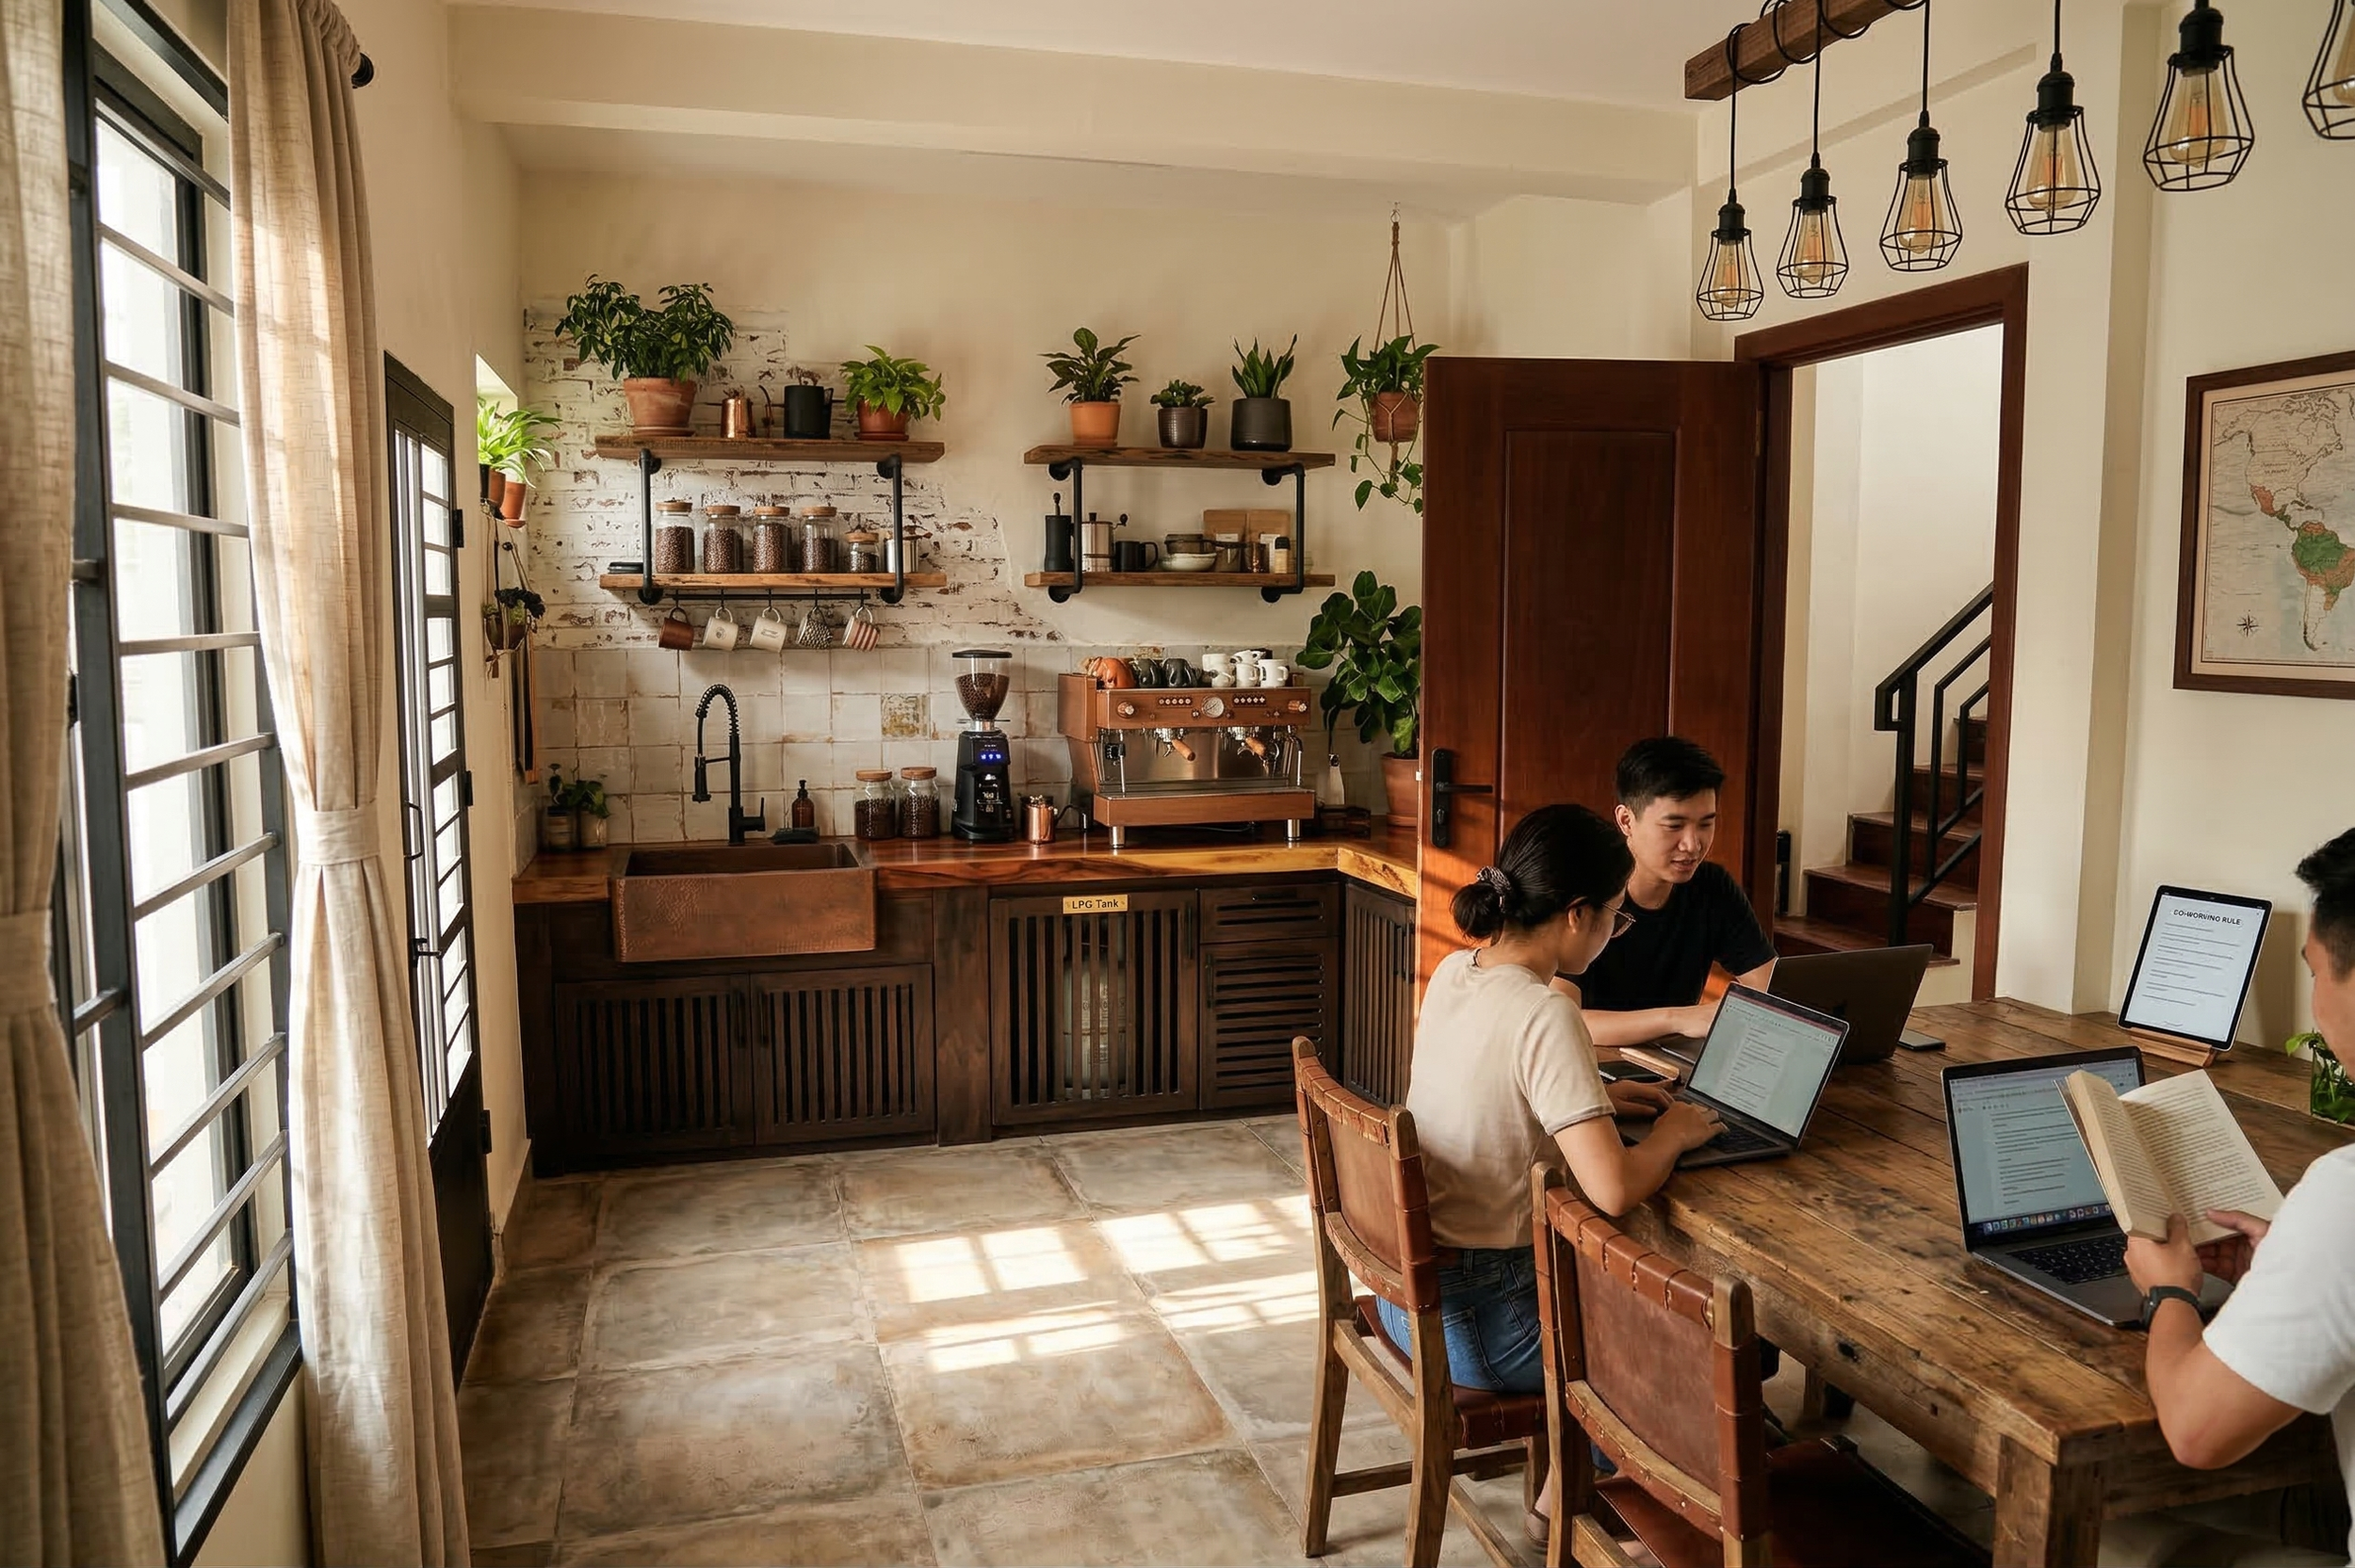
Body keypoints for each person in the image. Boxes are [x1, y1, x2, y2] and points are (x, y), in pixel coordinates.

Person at [1375, 803, 1724, 1398]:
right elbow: (1613, 1189)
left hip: (1407, 1298)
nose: (1615, 934)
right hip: (1489, 1322)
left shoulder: (1457, 970)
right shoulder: (1547, 1011)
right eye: (1616, 917)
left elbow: (1496, 1092)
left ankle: (1569, 1482)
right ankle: (1573, 1488)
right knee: (1691, 1357)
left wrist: (1602, 1097)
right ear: (1576, 915)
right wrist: (1677, 1132)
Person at [2125, 827, 2355, 1565]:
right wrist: (2296, 1259)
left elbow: (2197, 1430)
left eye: (2316, 971)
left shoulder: (2345, 1197)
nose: (2314, 999)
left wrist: (2171, 1293)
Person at [1558, 737, 1778, 1050]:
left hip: (1670, 1065)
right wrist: (1679, 1019)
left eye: (1706, 824)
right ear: (1626, 820)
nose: (1692, 844)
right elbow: (1565, 1020)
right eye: (1674, 826)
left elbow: (1773, 989)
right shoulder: (1584, 891)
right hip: (1587, 1061)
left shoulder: (1712, 887)